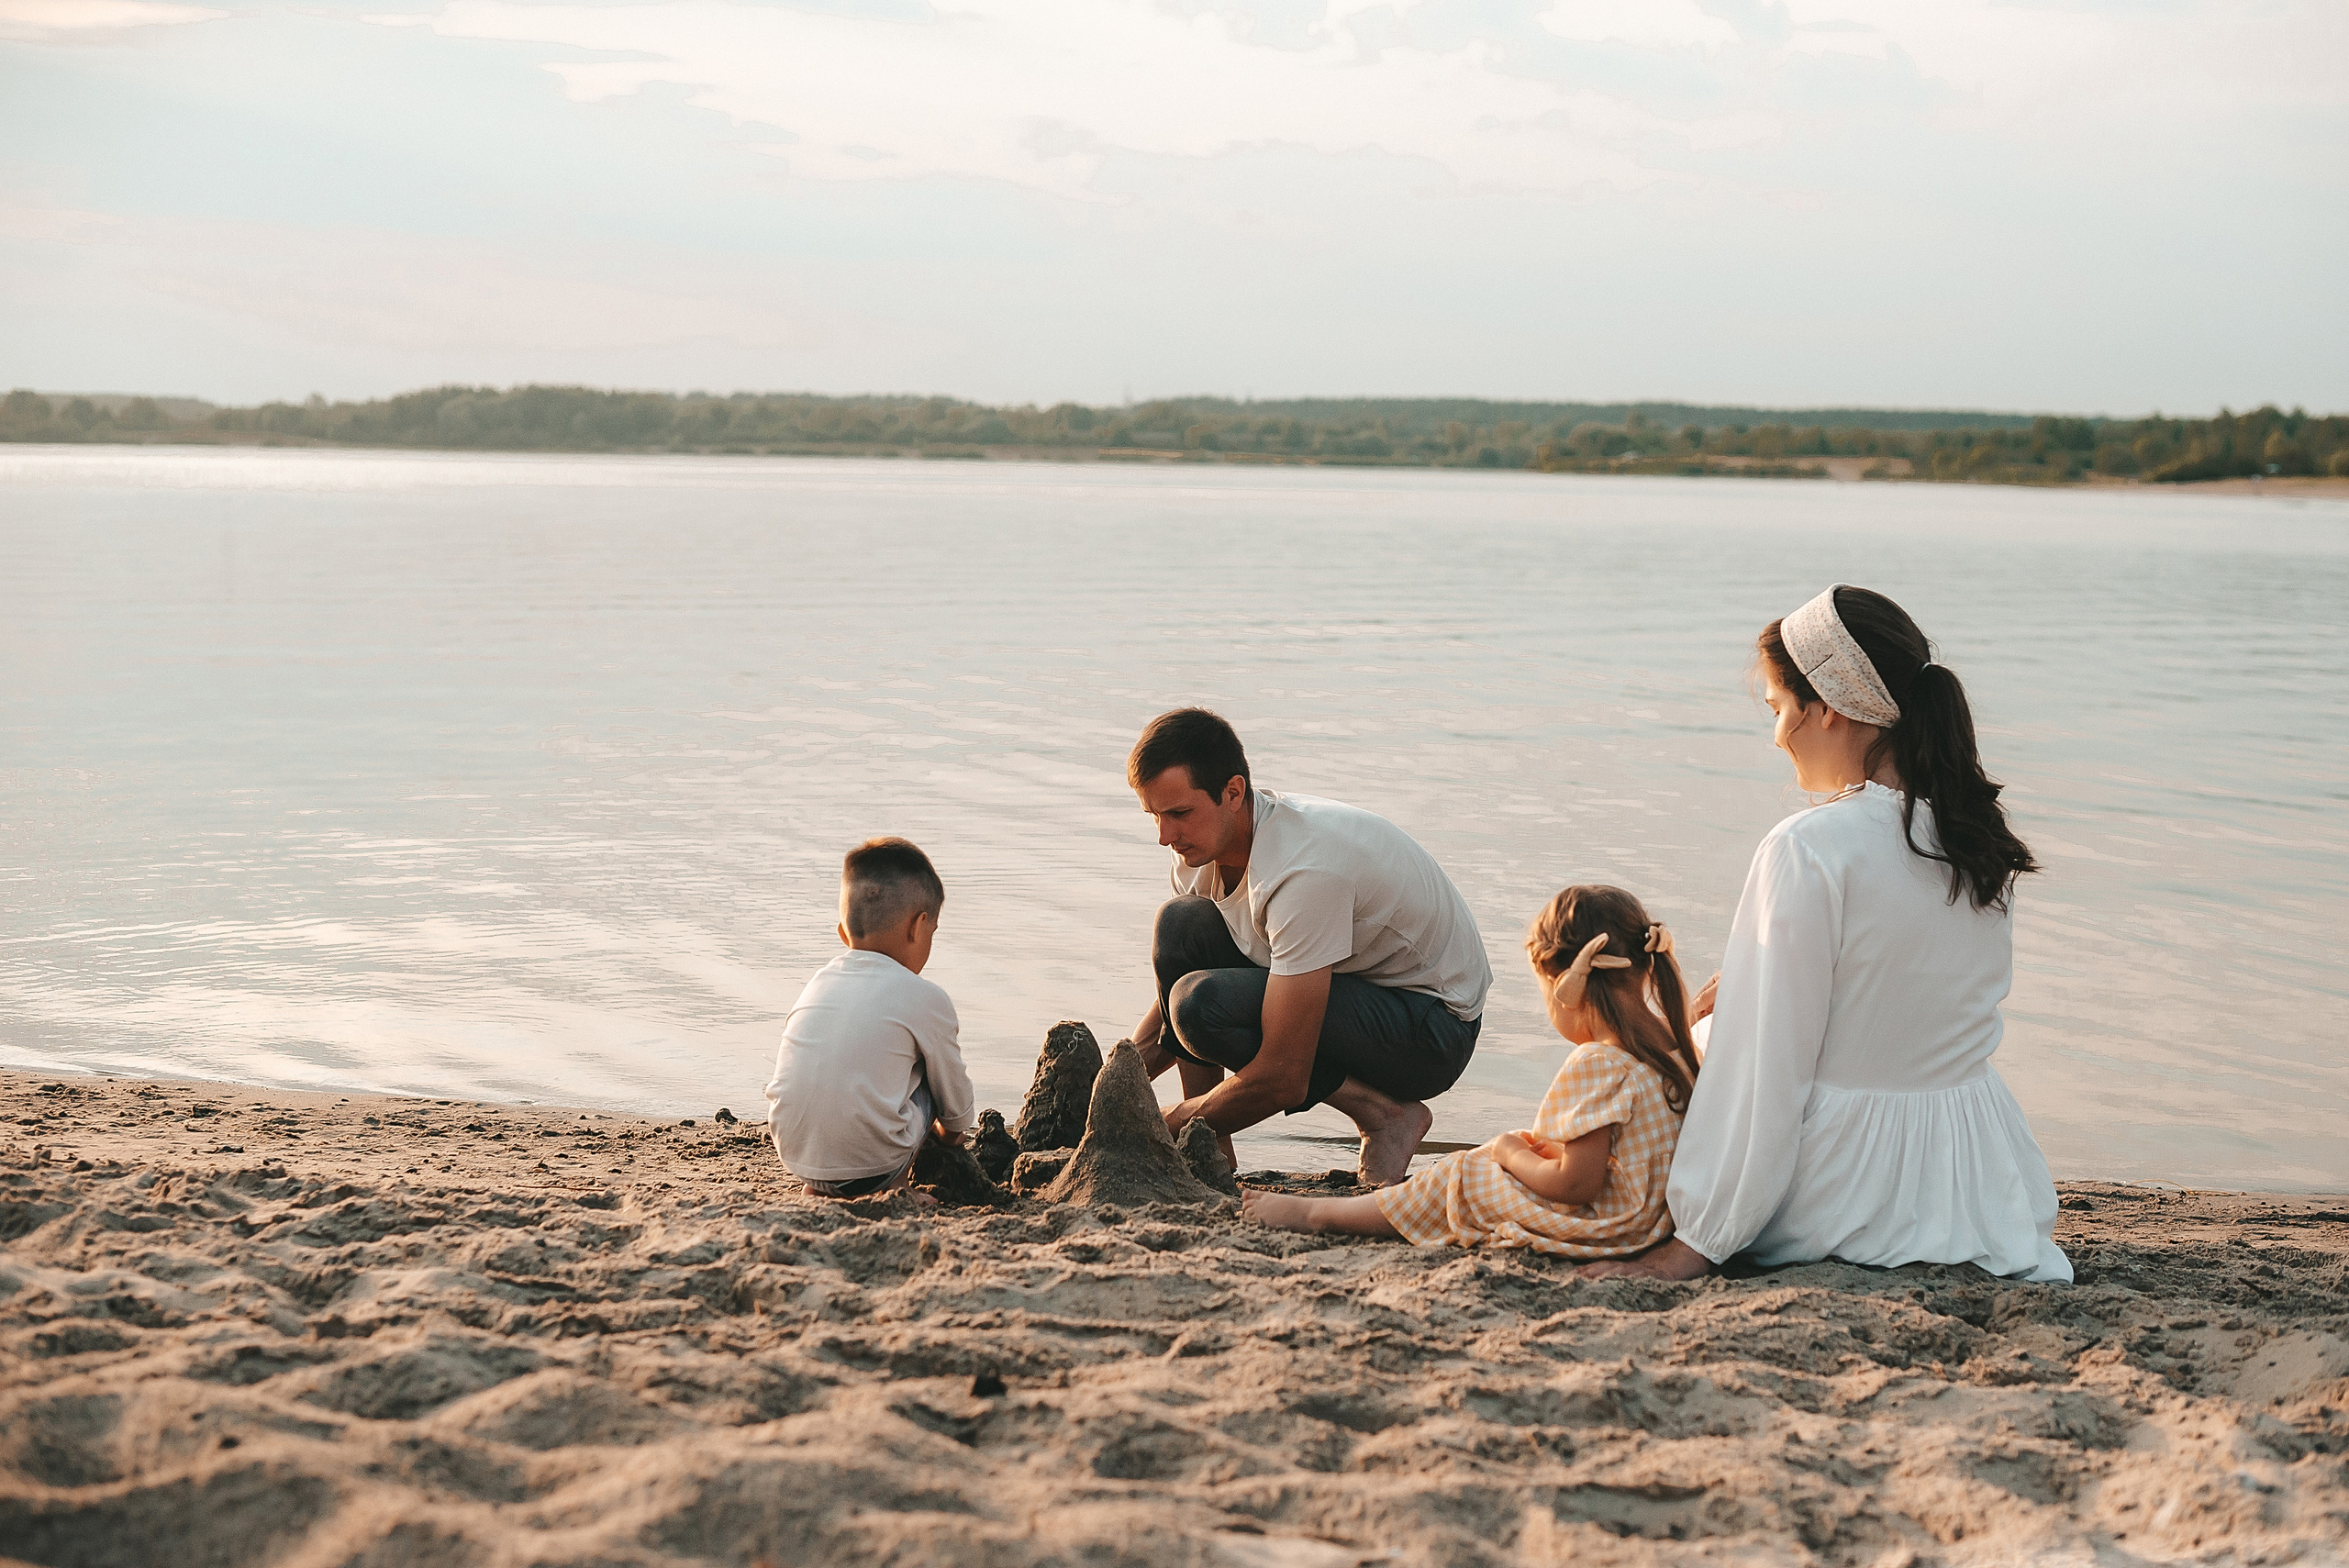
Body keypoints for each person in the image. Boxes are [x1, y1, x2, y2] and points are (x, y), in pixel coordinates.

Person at [1585, 585, 2072, 1284]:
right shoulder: (1976, 841)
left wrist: (1701, 1238)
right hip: (1974, 1182)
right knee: (1722, 1019)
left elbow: (1768, 1069)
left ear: (1829, 709)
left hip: (1844, 1191)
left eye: (1779, 710)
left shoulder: (1808, 847)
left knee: (1700, 1045)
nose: (1778, 734)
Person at [1124, 707, 1491, 1185]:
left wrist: (1158, 1126)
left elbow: (1284, 1075)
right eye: (1154, 815)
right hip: (1353, 985)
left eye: (1179, 814)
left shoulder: (1304, 871)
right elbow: (1169, 1009)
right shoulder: (1200, 852)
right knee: (1181, 927)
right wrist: (1112, 1084)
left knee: (1202, 1006)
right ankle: (1211, 1150)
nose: (1164, 837)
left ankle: (1385, 1115)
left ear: (1233, 793)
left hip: (1432, 1029)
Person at [1244, 884, 1701, 1253]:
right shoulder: (1677, 1044)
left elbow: (1576, 1184)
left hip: (1608, 1228)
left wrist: (1508, 1153)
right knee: (1498, 1160)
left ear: (1566, 986)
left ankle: (1316, 1215)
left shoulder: (1599, 1063)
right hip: (1650, 1222)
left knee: (1463, 1175)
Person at [763, 837, 974, 1201]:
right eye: (932, 935)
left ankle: (818, 1188)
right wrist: (949, 1137)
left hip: (796, 1154)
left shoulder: (817, 984)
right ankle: (898, 1186)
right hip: (872, 1171)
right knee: (928, 1070)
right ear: (918, 927)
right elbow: (957, 1113)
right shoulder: (926, 997)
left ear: (843, 934)